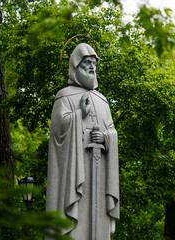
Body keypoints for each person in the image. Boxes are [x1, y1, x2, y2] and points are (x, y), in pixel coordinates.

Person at [46, 43, 119, 240]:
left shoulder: (103, 101)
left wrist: (105, 138)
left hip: (99, 173)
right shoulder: (64, 96)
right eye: (87, 62)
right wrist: (80, 114)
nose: (92, 67)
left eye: (94, 63)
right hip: (74, 174)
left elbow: (111, 130)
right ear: (76, 65)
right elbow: (57, 133)